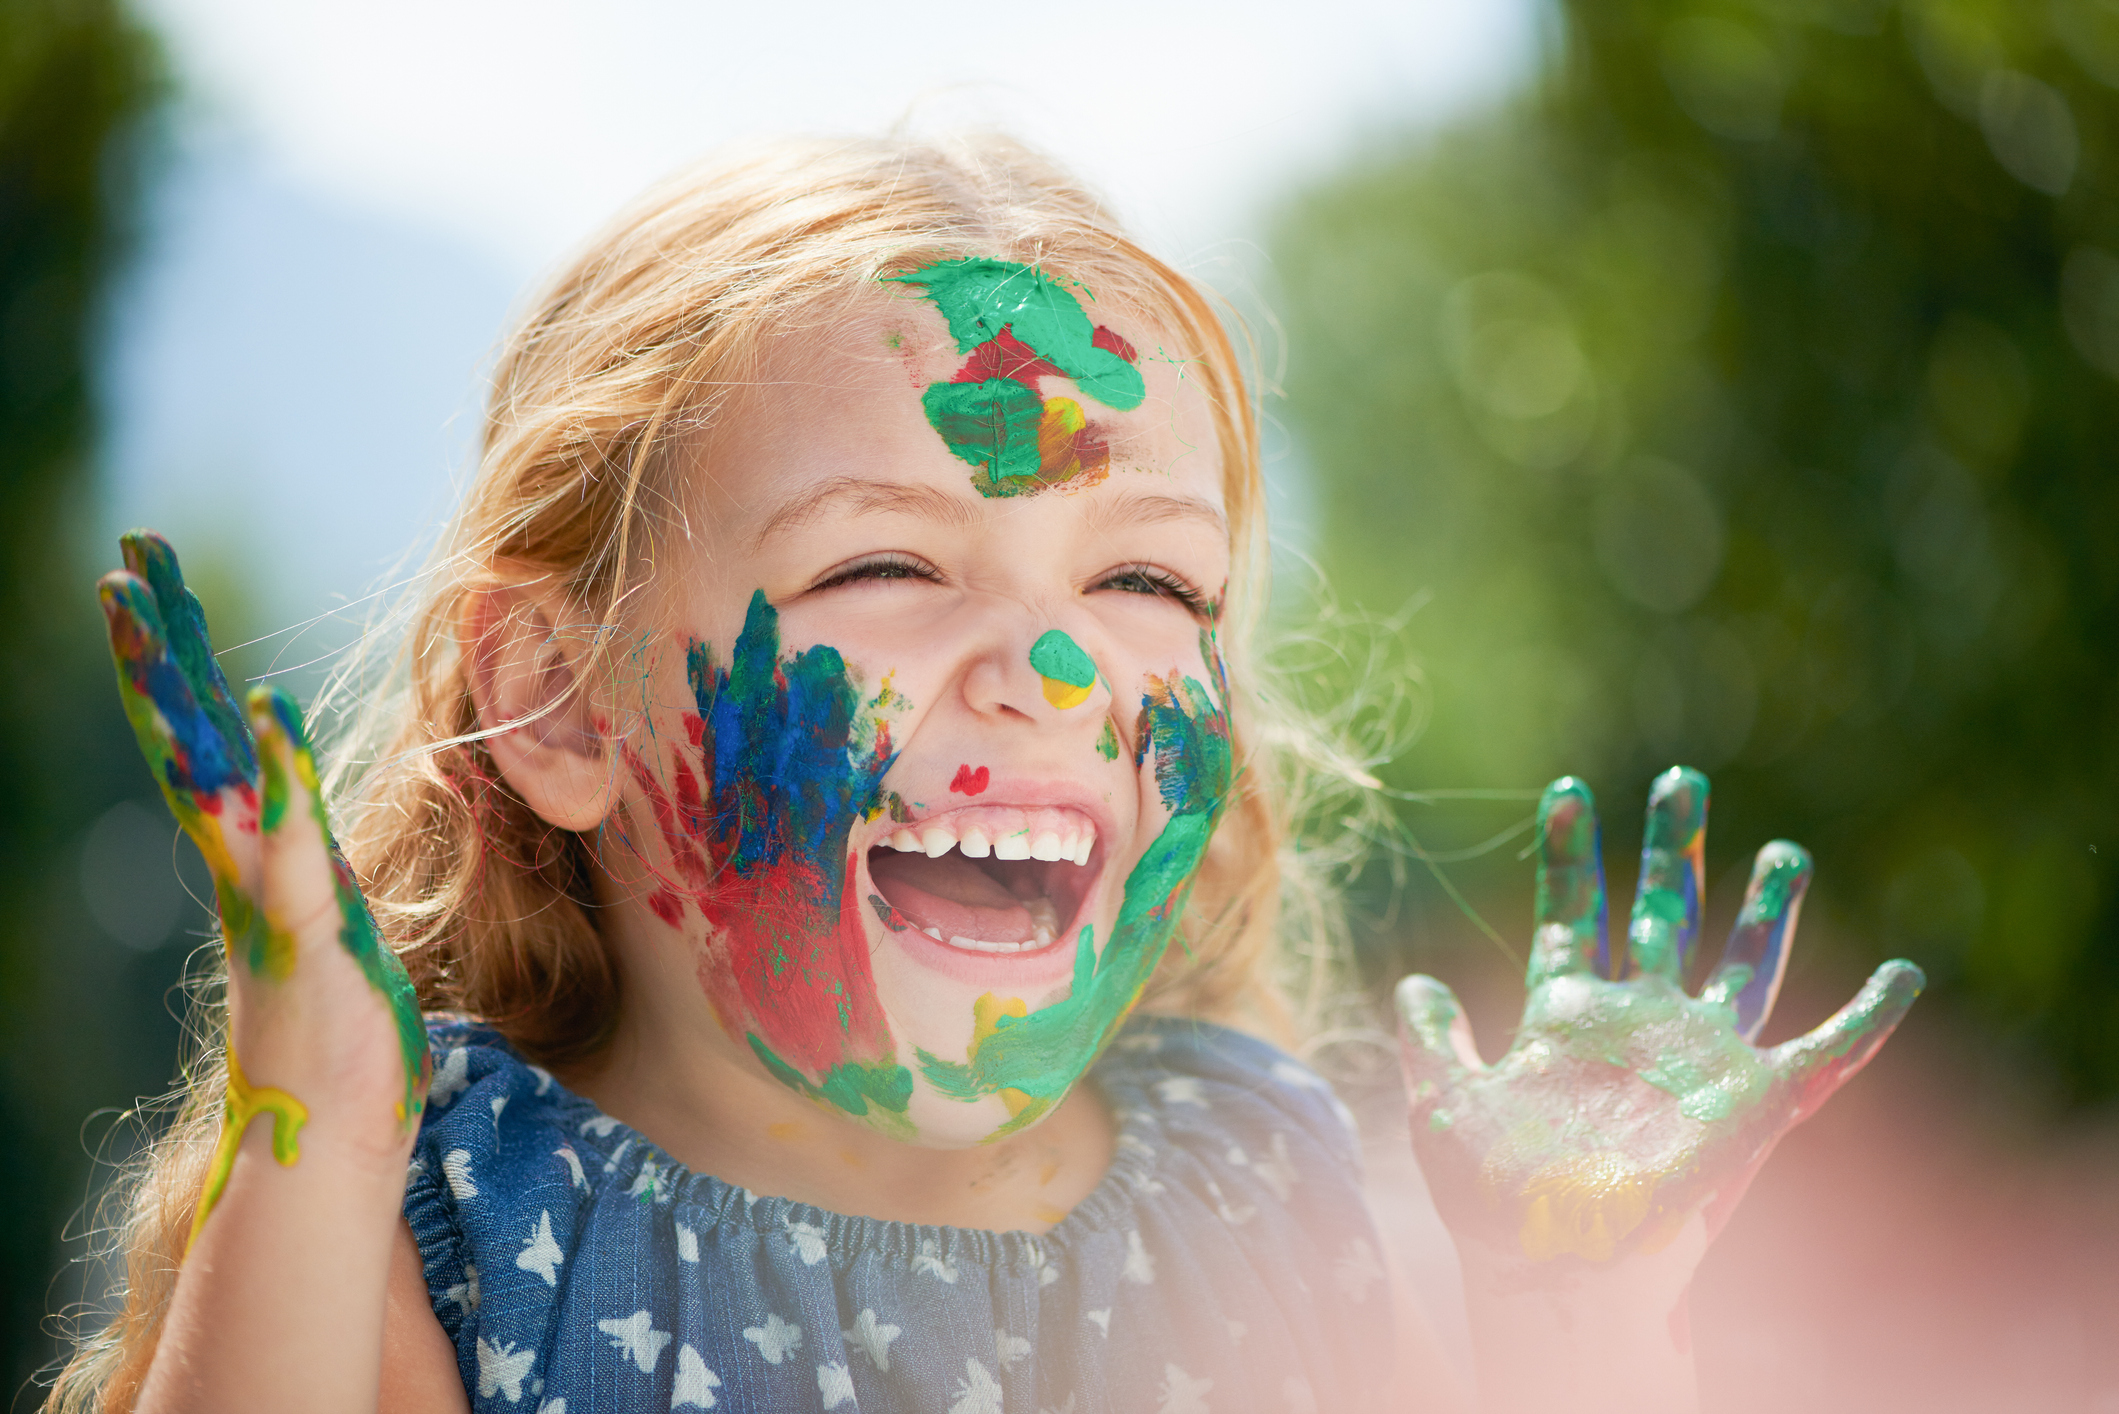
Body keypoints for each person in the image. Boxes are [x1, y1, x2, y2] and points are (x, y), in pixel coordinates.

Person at [48, 134, 1922, 1414]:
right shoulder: (447, 1208)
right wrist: (311, 1115)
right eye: (884, 564)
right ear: (556, 699)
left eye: (1143, 582)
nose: (1048, 668)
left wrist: (1577, 1309)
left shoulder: (1252, 1182)